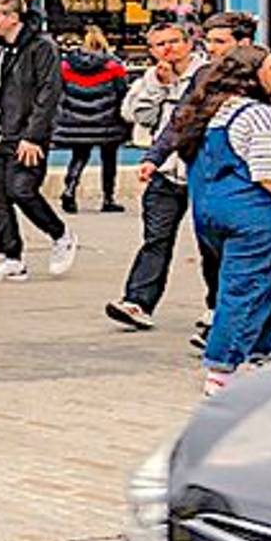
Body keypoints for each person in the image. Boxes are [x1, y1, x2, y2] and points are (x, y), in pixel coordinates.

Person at [175, 41, 271, 395]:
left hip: (209, 209)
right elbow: (267, 173)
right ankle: (222, 366)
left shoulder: (207, 111)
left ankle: (264, 350)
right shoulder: (257, 114)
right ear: (252, 74)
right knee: (246, 288)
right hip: (252, 211)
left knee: (254, 283)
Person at [106, 19, 219, 333]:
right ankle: (138, 301)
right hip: (166, 171)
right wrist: (157, 85)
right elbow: (136, 115)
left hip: (199, 170)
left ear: (188, 42)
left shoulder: (208, 74)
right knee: (156, 238)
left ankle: (217, 305)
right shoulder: (151, 77)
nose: (167, 50)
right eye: (159, 45)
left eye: (173, 42)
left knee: (210, 244)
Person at [0, 0, 70, 281]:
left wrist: (34, 135)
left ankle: (59, 234)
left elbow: (49, 92)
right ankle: (11, 257)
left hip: (24, 134)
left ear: (13, 17)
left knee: (21, 190)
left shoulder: (41, 47)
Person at [51, 18, 132, 212]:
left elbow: (58, 90)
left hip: (76, 120)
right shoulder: (113, 65)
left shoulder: (66, 65)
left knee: (79, 156)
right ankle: (108, 199)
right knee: (109, 159)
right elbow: (122, 90)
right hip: (107, 120)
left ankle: (70, 189)